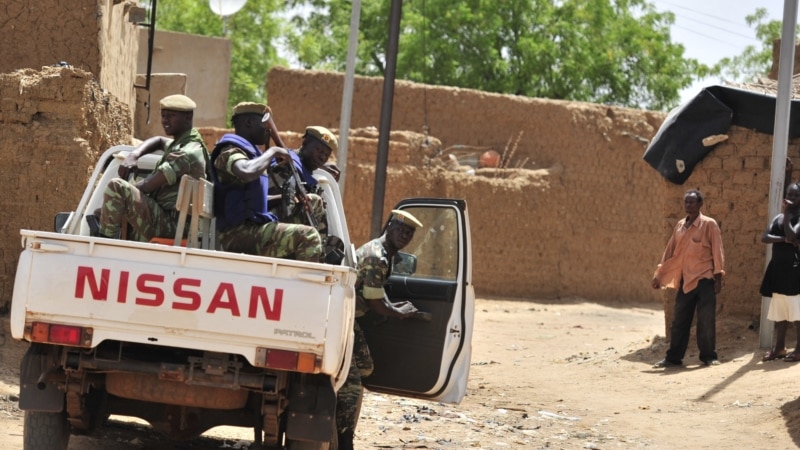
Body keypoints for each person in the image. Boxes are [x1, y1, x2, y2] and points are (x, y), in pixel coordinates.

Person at [336, 210, 428, 450]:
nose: (404, 236)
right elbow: (376, 303)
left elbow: (375, 291)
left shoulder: (384, 252)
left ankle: (335, 396)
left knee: (366, 368)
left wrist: (393, 307)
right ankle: (343, 436)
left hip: (350, 320)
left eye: (409, 233)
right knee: (353, 384)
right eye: (400, 230)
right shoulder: (378, 256)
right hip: (341, 321)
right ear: (390, 227)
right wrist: (399, 313)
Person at [209, 102, 322, 262]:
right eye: (264, 124)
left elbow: (250, 203)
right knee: (308, 237)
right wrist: (273, 151)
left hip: (252, 228)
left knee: (313, 202)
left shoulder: (252, 154)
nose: (268, 130)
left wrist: (285, 198)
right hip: (236, 234)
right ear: (248, 122)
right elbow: (246, 172)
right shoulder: (229, 151)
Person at [95, 94, 209, 241]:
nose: (165, 120)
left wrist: (118, 202)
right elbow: (159, 140)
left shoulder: (186, 153)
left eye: (171, 116)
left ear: (187, 117)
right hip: (171, 221)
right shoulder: (185, 144)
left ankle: (102, 243)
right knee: (112, 206)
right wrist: (134, 155)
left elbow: (148, 186)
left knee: (117, 187)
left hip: (174, 226)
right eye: (163, 115)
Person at [651, 189, 725, 368]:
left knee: (705, 320)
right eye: (686, 202)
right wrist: (659, 275)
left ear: (700, 204)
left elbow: (717, 251)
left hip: (705, 279)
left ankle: (708, 356)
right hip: (686, 281)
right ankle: (673, 358)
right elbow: (670, 252)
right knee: (679, 321)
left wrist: (718, 277)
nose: (689, 205)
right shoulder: (679, 226)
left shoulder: (709, 224)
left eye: (692, 202)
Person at [267, 125, 341, 229]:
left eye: (326, 155)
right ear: (305, 143)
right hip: (273, 224)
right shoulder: (285, 164)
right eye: (318, 150)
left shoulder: (306, 170)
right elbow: (272, 202)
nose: (322, 157)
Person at [759, 182, 800, 361]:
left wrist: (787, 213)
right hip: (778, 269)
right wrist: (784, 239)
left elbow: (793, 235)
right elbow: (765, 237)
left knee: (796, 312)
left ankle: (799, 349)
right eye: (788, 195)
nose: (790, 199)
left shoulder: (798, 218)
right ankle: (780, 347)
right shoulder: (778, 218)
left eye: (794, 196)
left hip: (794, 270)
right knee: (780, 310)